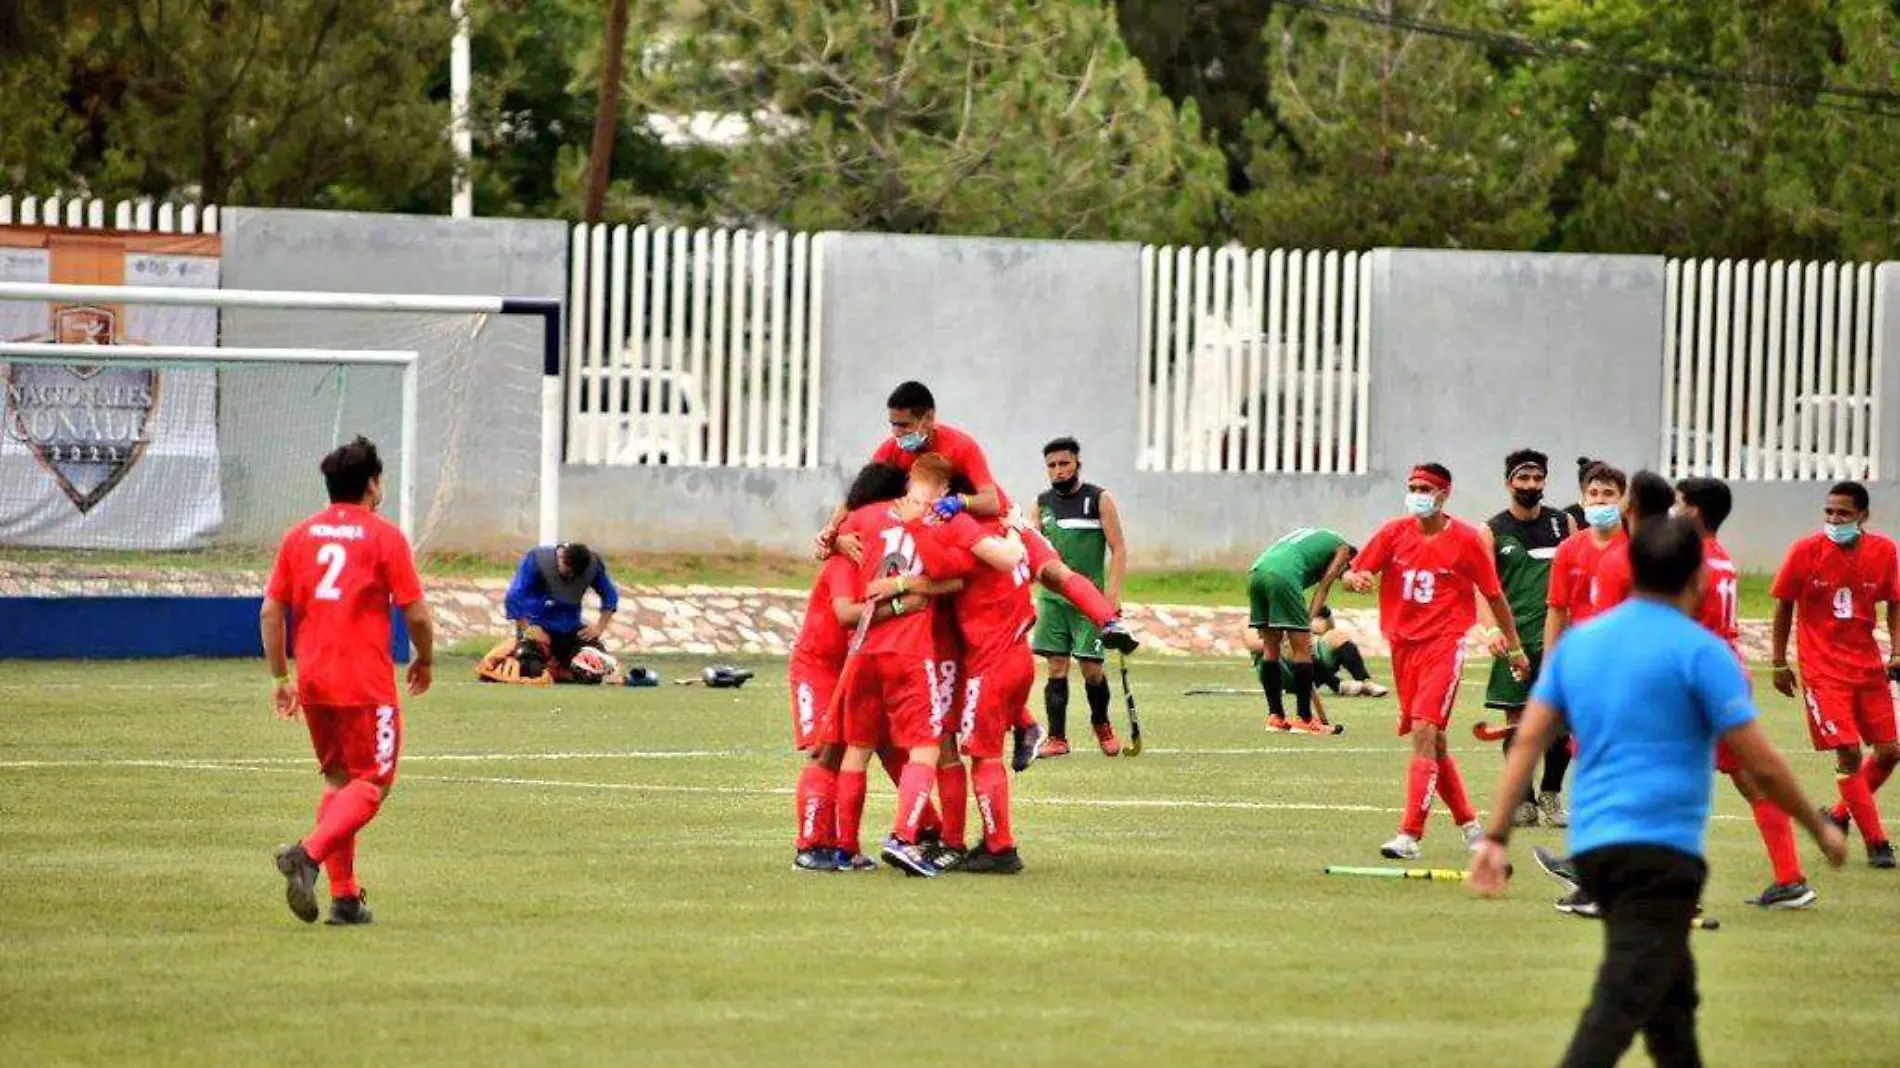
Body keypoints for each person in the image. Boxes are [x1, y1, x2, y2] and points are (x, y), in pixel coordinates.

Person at [1471, 516, 1846, 1068]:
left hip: (1595, 846)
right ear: (1697, 580)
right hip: (1660, 851)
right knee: (1621, 997)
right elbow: (1760, 763)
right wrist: (1819, 829)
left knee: (1672, 1003)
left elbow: (1528, 740)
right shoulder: (1703, 653)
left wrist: (1496, 836)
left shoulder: (1581, 644)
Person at [261, 436, 435, 926]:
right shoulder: (385, 537)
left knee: (340, 782)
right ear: (373, 484)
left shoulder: (299, 536)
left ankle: (344, 898)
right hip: (365, 685)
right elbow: (416, 614)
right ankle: (307, 854)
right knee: (374, 783)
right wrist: (425, 658)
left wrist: (280, 677)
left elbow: (271, 611)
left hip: (314, 683)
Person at [832, 454, 1024, 877]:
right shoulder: (937, 525)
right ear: (939, 491)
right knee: (930, 745)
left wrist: (834, 540)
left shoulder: (862, 519)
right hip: (912, 650)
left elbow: (832, 544)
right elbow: (953, 575)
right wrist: (911, 581)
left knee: (857, 749)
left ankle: (844, 849)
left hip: (863, 649)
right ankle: (905, 839)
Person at [1342, 463, 1532, 860]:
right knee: (1435, 740)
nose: (1416, 494)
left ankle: (1409, 835)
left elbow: (1494, 596)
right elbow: (1356, 571)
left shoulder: (1464, 539)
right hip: (1402, 648)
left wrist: (1514, 648)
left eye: (1424, 488)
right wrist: (1355, 579)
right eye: (1411, 487)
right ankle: (1471, 826)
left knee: (1425, 730)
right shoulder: (1394, 531)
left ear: (1444, 494)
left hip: (1444, 646)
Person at [789, 462, 955, 872]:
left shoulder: (860, 542)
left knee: (868, 746)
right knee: (827, 751)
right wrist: (904, 602)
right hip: (820, 663)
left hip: (858, 658)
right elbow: (847, 613)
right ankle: (812, 845)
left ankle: (851, 846)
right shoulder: (848, 557)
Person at [1770, 480, 1900, 869]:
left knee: (1891, 752)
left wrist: (1897, 649)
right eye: (1829, 512)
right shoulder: (1805, 551)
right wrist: (1779, 661)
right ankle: (1877, 843)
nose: (1834, 519)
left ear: (1862, 516)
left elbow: (1895, 603)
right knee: (1848, 751)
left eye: (1842, 513)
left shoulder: (1884, 551)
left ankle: (1840, 815)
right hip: (1823, 671)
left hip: (1867, 667)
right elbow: (1783, 607)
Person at [1477, 448, 1575, 827]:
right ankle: (1524, 799)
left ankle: (1551, 796)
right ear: (1508, 483)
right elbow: (1483, 588)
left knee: (1561, 724)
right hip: (1514, 642)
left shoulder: (1563, 524)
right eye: (1523, 478)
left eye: (1537, 479)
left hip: (1558, 641)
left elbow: (1577, 576)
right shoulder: (1491, 530)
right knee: (1516, 722)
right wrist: (1491, 629)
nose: (1531, 485)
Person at [813, 380, 1007, 559]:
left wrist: (959, 502)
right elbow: (860, 495)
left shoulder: (961, 447)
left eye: (904, 425)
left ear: (929, 418)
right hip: (912, 537)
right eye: (893, 425)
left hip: (965, 537)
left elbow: (991, 503)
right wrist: (833, 532)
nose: (897, 433)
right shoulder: (890, 449)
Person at [1032, 436, 1130, 757]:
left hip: (1090, 603)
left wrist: (1112, 597)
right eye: (1052, 466)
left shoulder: (1099, 499)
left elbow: (1118, 549)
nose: (1058, 471)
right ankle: (1057, 739)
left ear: (1077, 464)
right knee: (1056, 667)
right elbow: (1031, 552)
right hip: (1052, 601)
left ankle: (1102, 725)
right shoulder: (1041, 505)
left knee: (1092, 669)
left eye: (1064, 464)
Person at [1246, 527, 1356, 734]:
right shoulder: (1342, 549)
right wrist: (1305, 622)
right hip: (1283, 577)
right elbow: (1323, 588)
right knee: (1302, 649)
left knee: (1271, 648)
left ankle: (1276, 717)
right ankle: (1305, 718)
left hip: (1257, 573)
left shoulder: (1314, 537)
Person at [502, 542, 618, 681]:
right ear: (561, 559)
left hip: (570, 631)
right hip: (537, 628)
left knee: (594, 671)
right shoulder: (537, 560)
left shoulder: (593, 566)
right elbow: (514, 595)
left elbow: (610, 595)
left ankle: (561, 670)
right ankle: (552, 669)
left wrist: (600, 627)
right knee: (530, 669)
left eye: (575, 575)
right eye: (568, 571)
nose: (570, 577)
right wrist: (527, 629)